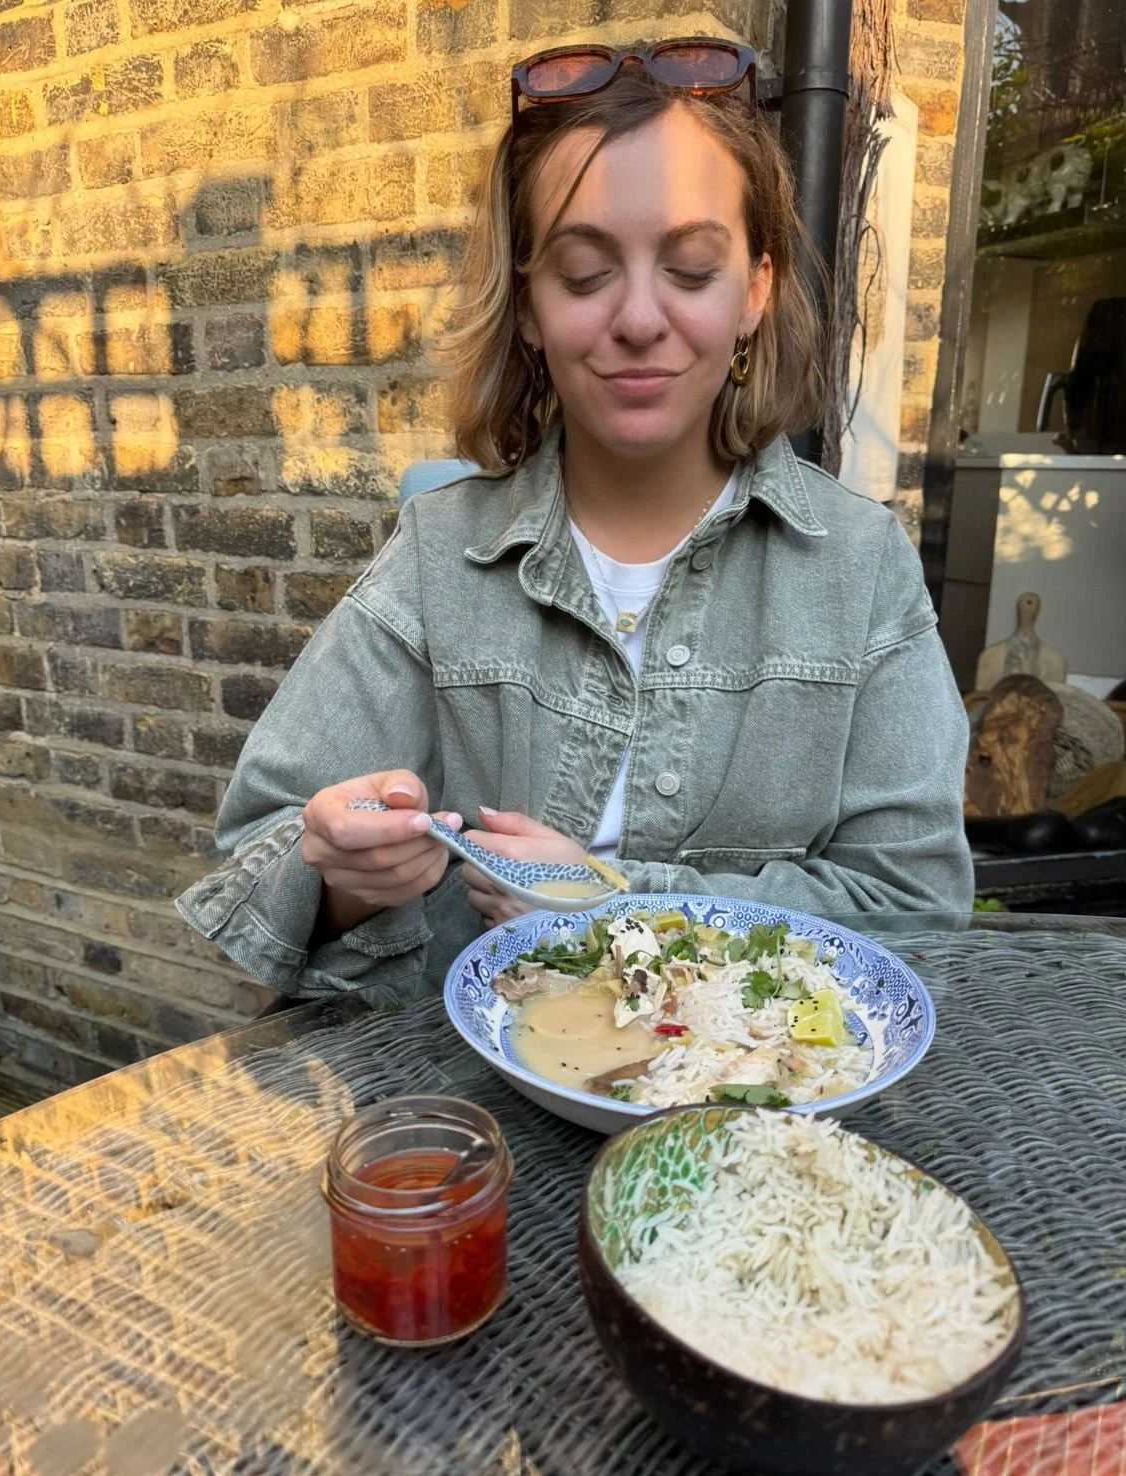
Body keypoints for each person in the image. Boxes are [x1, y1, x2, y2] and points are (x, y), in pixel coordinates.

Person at [177, 38, 974, 1001]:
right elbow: (262, 843)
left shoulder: (858, 565)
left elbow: (915, 910)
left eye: (689, 268)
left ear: (755, 291)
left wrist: (616, 906)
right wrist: (344, 877)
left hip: (754, 1121)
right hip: (479, 1114)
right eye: (585, 273)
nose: (638, 317)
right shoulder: (440, 557)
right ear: (526, 307)